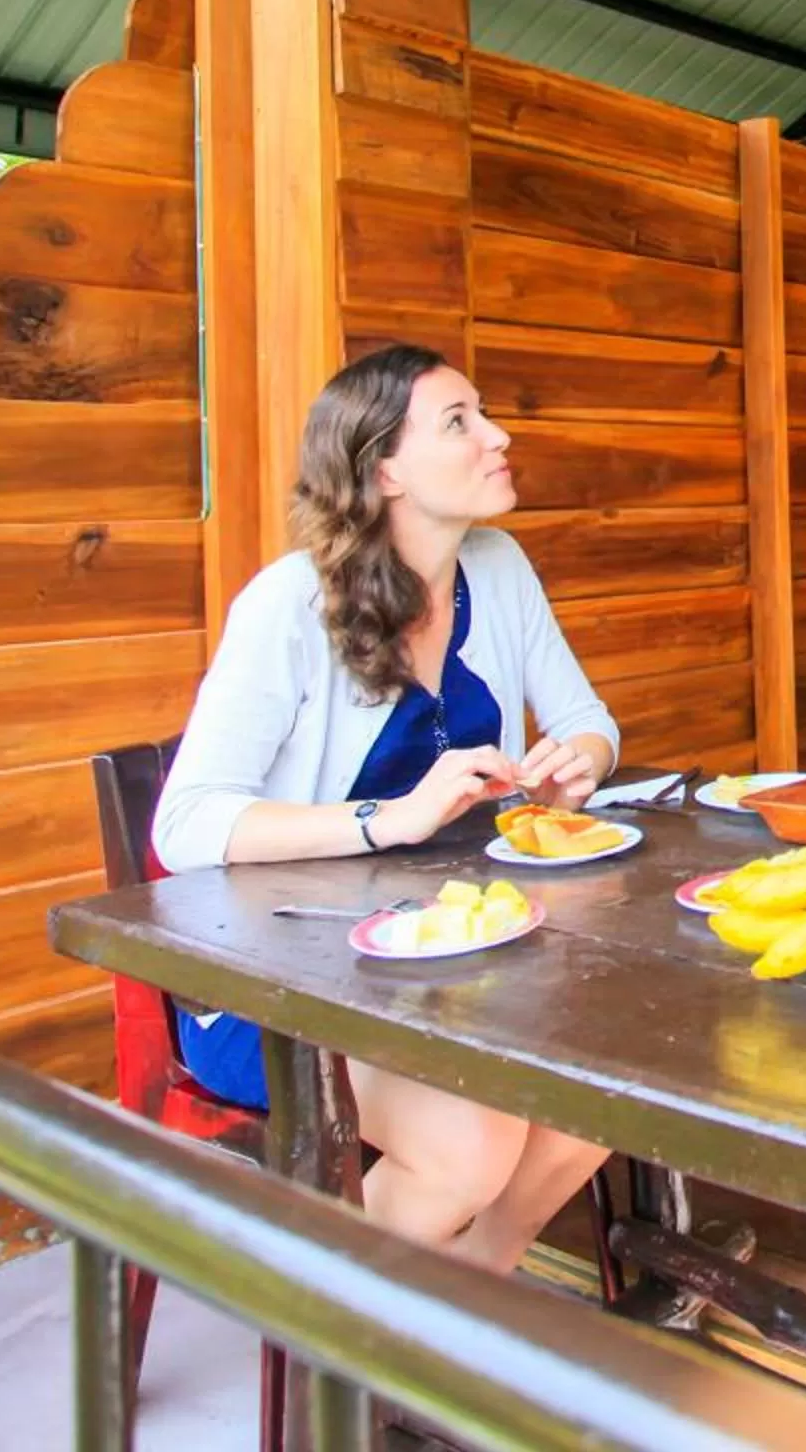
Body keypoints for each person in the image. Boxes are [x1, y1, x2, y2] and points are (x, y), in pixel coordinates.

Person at [152, 344, 615, 1273]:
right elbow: (187, 824)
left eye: (485, 413)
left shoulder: (500, 566)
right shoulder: (289, 604)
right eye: (460, 422)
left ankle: (473, 1297)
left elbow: (589, 722)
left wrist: (577, 765)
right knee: (471, 1144)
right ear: (384, 470)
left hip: (449, 961)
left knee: (603, 1086)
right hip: (276, 981)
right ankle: (331, 1334)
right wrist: (389, 820)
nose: (498, 435)